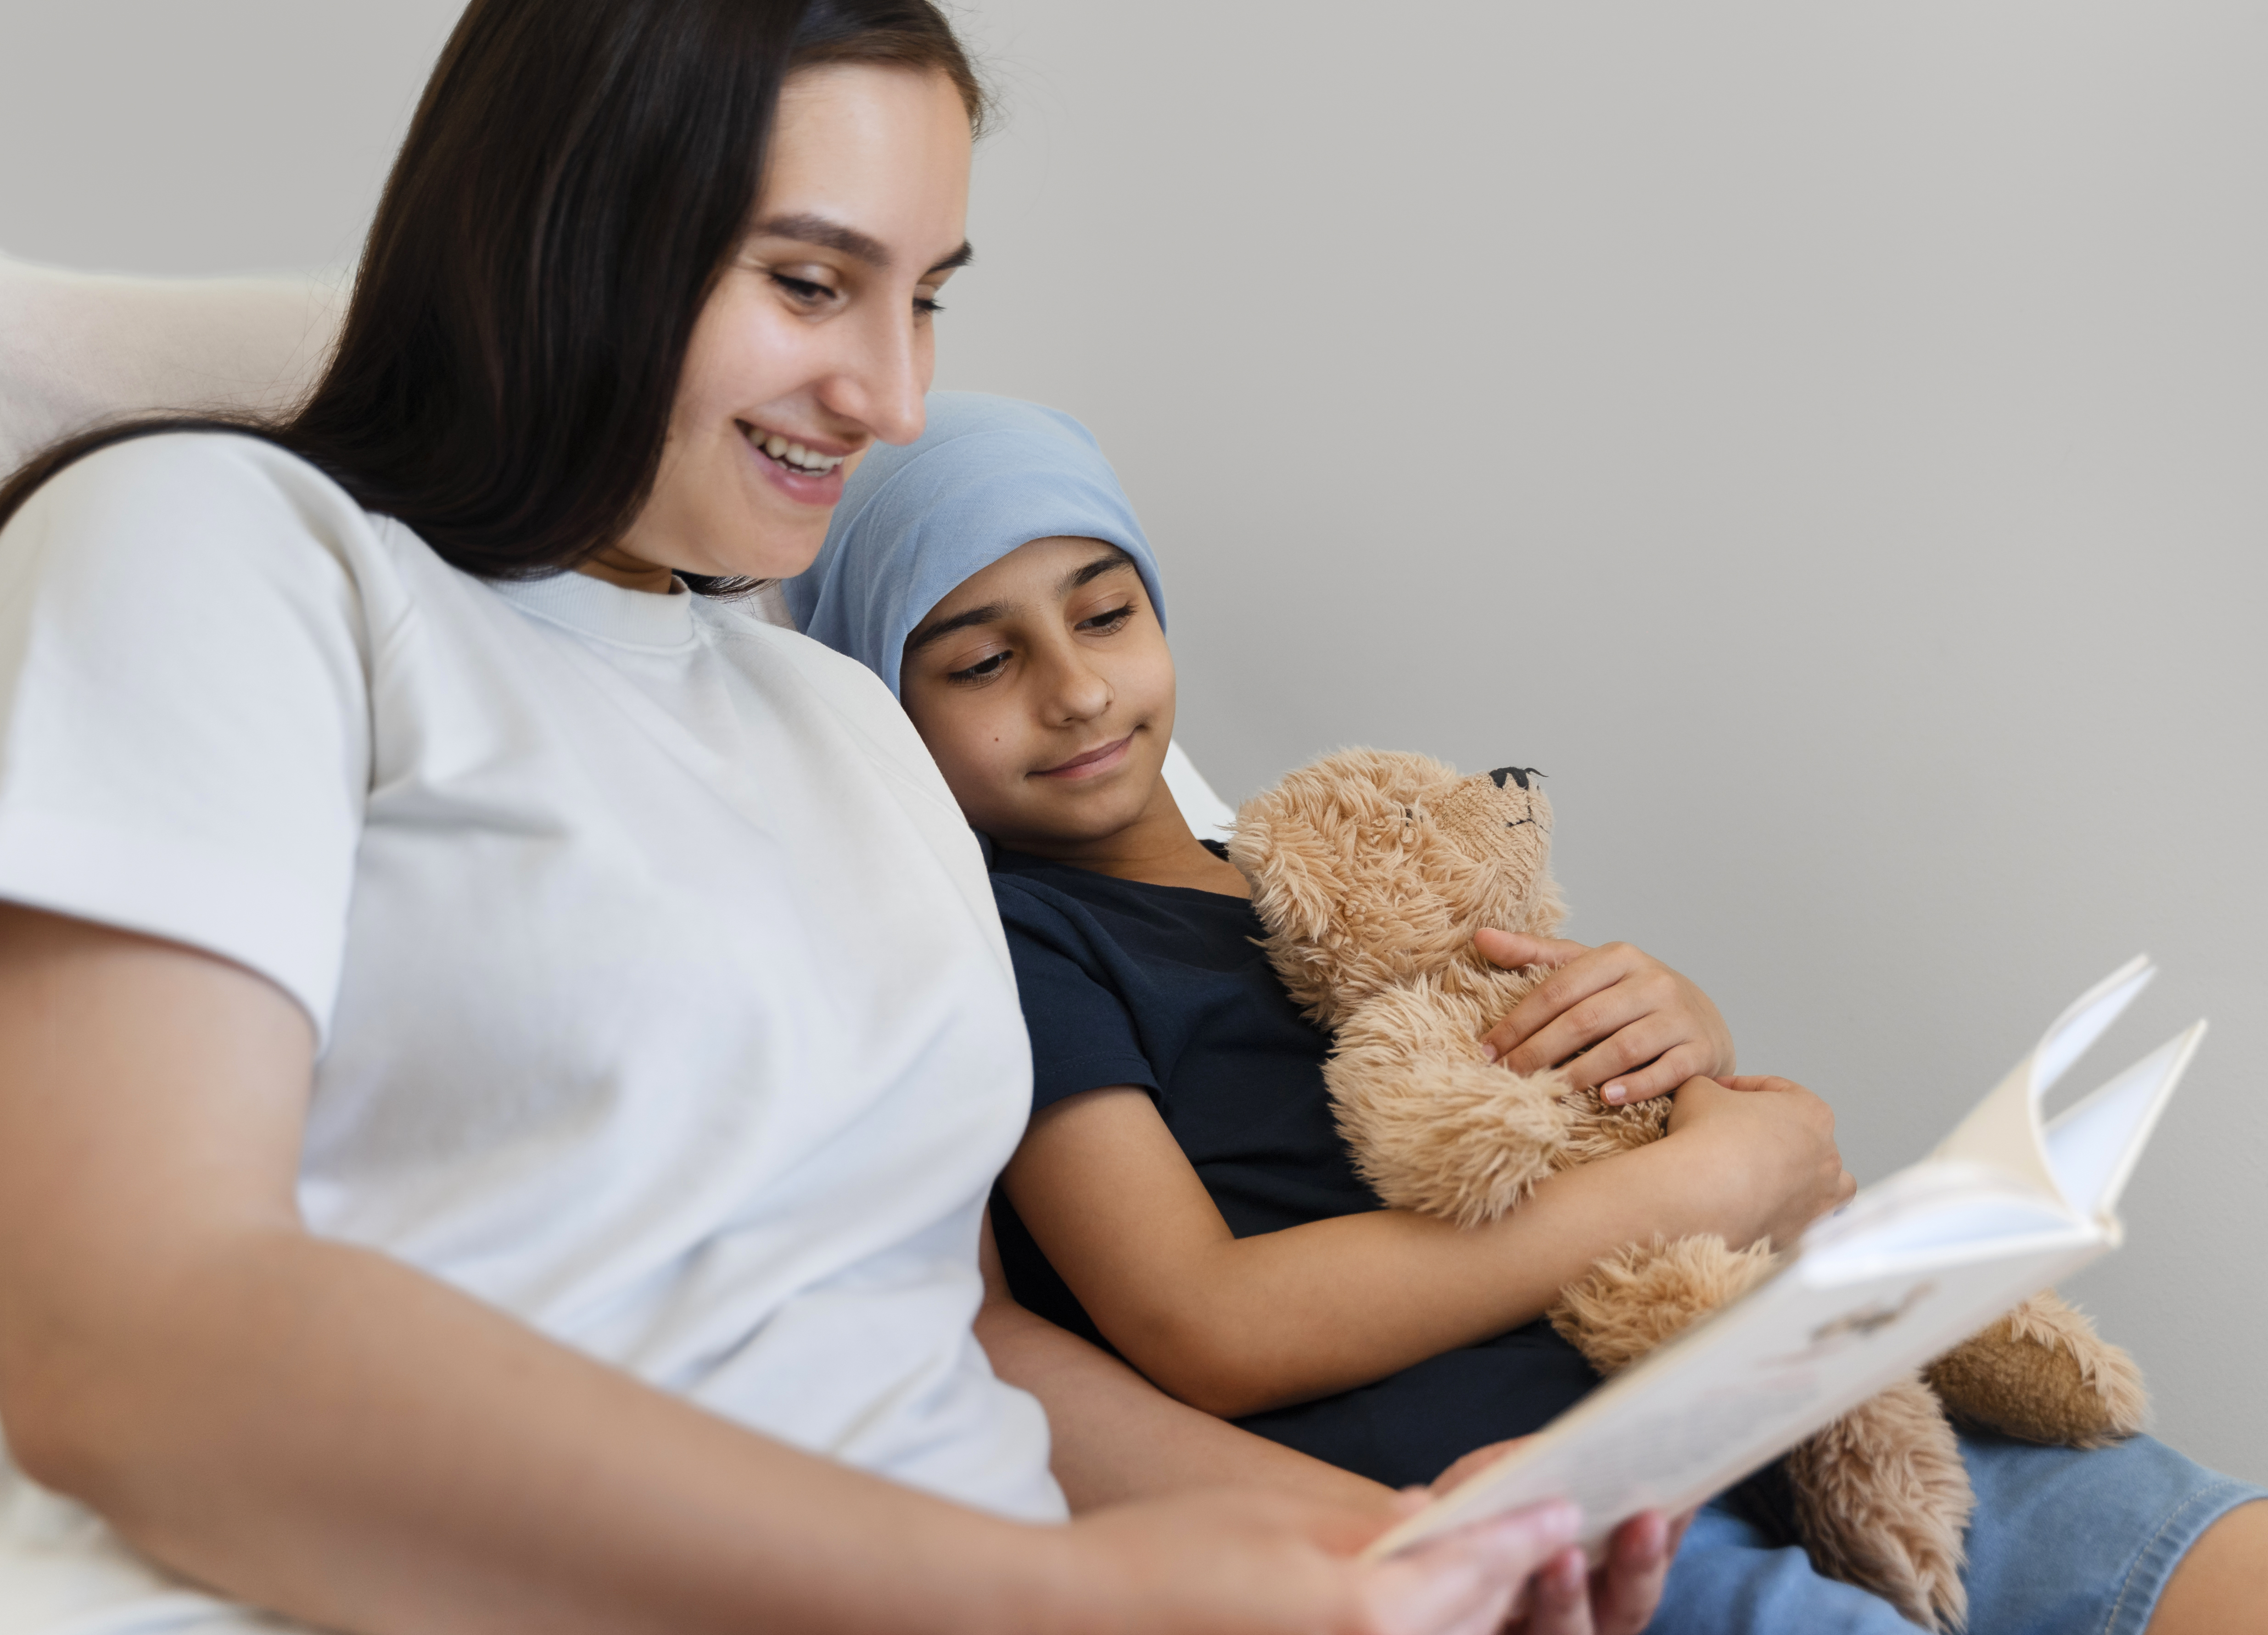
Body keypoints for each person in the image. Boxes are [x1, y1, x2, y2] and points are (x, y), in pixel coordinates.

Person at [0, 4, 1688, 1633]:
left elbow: (954, 1337)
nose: (889, 398)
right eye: (811, 285)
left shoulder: (839, 724)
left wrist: (1395, 1556)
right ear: (562, 228)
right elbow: (134, 1344)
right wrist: (1049, 1604)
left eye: (927, 299)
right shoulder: (227, 547)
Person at [794, 390, 2268, 1635]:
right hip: (1570, 1511)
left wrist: (1679, 1025)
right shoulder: (1013, 947)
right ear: (887, 703)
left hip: (1784, 1398)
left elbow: (1589, 1082)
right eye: (977, 658)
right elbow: (1199, 1323)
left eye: (1103, 610)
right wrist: (1678, 1190)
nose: (1077, 687)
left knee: (2250, 1562)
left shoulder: (1334, 858)